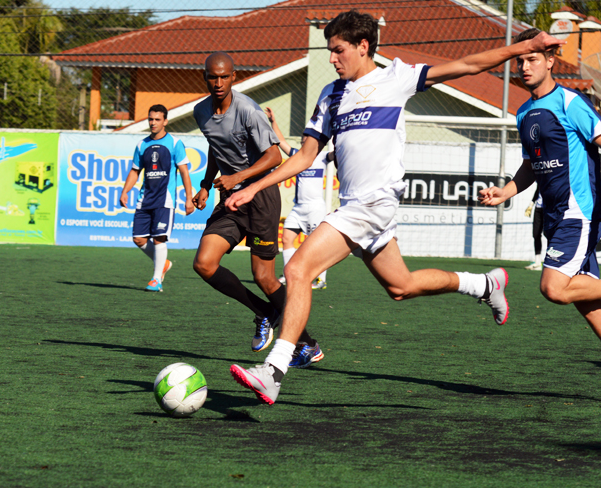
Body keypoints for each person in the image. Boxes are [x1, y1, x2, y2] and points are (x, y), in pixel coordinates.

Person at [225, 10, 564, 405]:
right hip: (357, 207)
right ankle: (484, 284)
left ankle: (274, 371)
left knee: (298, 268)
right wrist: (255, 187)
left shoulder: (396, 77)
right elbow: (304, 157)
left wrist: (526, 46)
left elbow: (469, 64)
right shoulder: (331, 95)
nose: (332, 59)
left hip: (374, 204)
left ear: (363, 46)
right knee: (401, 286)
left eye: (338, 50)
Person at [192, 52, 323, 368]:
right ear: (205, 77)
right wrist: (207, 184)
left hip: (261, 197)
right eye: (213, 77)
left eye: (224, 76)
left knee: (264, 277)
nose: (219, 82)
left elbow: (274, 157)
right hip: (231, 200)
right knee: (204, 264)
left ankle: (308, 344)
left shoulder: (249, 111)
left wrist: (238, 176)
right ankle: (264, 311)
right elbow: (216, 146)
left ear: (234, 76)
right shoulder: (200, 112)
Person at [480, 28, 601, 342]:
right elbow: (532, 164)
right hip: (555, 217)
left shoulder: (570, 102)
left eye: (532, 59)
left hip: (580, 212)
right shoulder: (523, 113)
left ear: (550, 61)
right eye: (519, 60)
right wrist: (505, 191)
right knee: (591, 306)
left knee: (554, 287)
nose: (524, 67)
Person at [120, 104, 195, 292]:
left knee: (159, 238)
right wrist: (125, 191)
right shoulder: (141, 145)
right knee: (138, 239)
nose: (153, 123)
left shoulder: (175, 144)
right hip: (144, 199)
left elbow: (185, 173)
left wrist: (188, 198)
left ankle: (156, 280)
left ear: (165, 121)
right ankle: (164, 264)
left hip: (165, 200)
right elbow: (135, 171)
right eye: (150, 119)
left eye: (157, 120)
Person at [265, 106, 332, 290]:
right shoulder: (297, 155)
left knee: (316, 245)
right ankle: (289, 274)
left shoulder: (323, 156)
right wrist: (273, 121)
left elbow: (338, 153)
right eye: (304, 135)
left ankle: (320, 278)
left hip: (314, 208)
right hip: (298, 208)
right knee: (287, 238)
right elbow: (279, 141)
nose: (305, 138)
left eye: (308, 136)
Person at [524, 184, 544, 270]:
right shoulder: (541, 177)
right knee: (536, 234)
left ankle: (550, 261)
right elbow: (538, 189)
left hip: (548, 209)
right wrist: (531, 203)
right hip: (538, 208)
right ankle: (537, 262)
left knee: (549, 234)